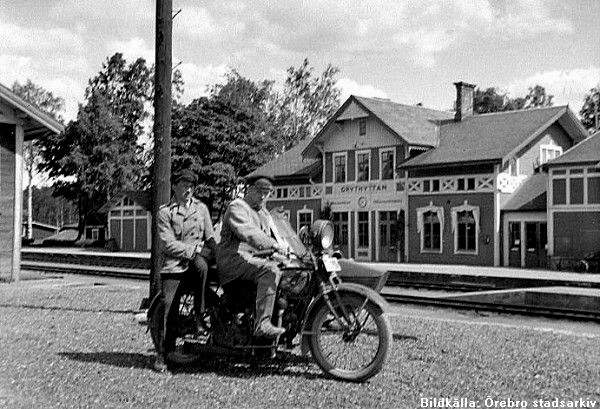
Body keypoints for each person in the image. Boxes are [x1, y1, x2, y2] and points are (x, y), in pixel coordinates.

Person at [154, 168, 216, 372]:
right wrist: (193, 249)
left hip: (196, 261)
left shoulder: (202, 209)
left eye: (191, 187)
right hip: (173, 266)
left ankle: (199, 317)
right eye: (184, 186)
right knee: (168, 305)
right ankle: (162, 353)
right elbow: (167, 244)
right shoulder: (165, 212)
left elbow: (210, 238)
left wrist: (218, 253)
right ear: (174, 187)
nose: (188, 190)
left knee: (202, 267)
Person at [216, 175, 288, 339]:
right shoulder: (237, 207)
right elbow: (249, 232)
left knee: (288, 270)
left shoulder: (263, 213)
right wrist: (274, 246)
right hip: (233, 259)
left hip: (252, 259)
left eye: (267, 192)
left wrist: (291, 249)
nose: (263, 196)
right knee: (270, 270)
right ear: (249, 189)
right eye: (260, 191)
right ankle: (262, 324)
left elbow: (277, 234)